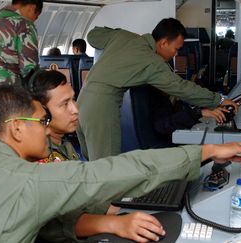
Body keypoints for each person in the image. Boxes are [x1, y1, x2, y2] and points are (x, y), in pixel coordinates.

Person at [0, 85, 241, 243]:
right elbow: (110, 173)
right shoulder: (28, 181)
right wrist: (205, 153)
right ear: (17, 129)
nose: (47, 128)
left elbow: (25, 222)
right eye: (41, 121)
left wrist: (112, 226)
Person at [28, 70, 179, 242]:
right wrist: (117, 223)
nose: (75, 109)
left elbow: (82, 196)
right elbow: (62, 222)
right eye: (64, 104)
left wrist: (124, 207)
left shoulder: (63, 144)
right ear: (42, 112)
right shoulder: (42, 155)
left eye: (73, 99)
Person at [77, 18, 238, 160]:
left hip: (80, 102)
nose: (175, 55)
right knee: (104, 171)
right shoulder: (152, 62)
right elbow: (182, 88)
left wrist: (124, 34)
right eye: (175, 49)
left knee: (92, 166)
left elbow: (93, 35)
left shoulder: (123, 37)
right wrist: (219, 99)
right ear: (163, 43)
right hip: (101, 110)